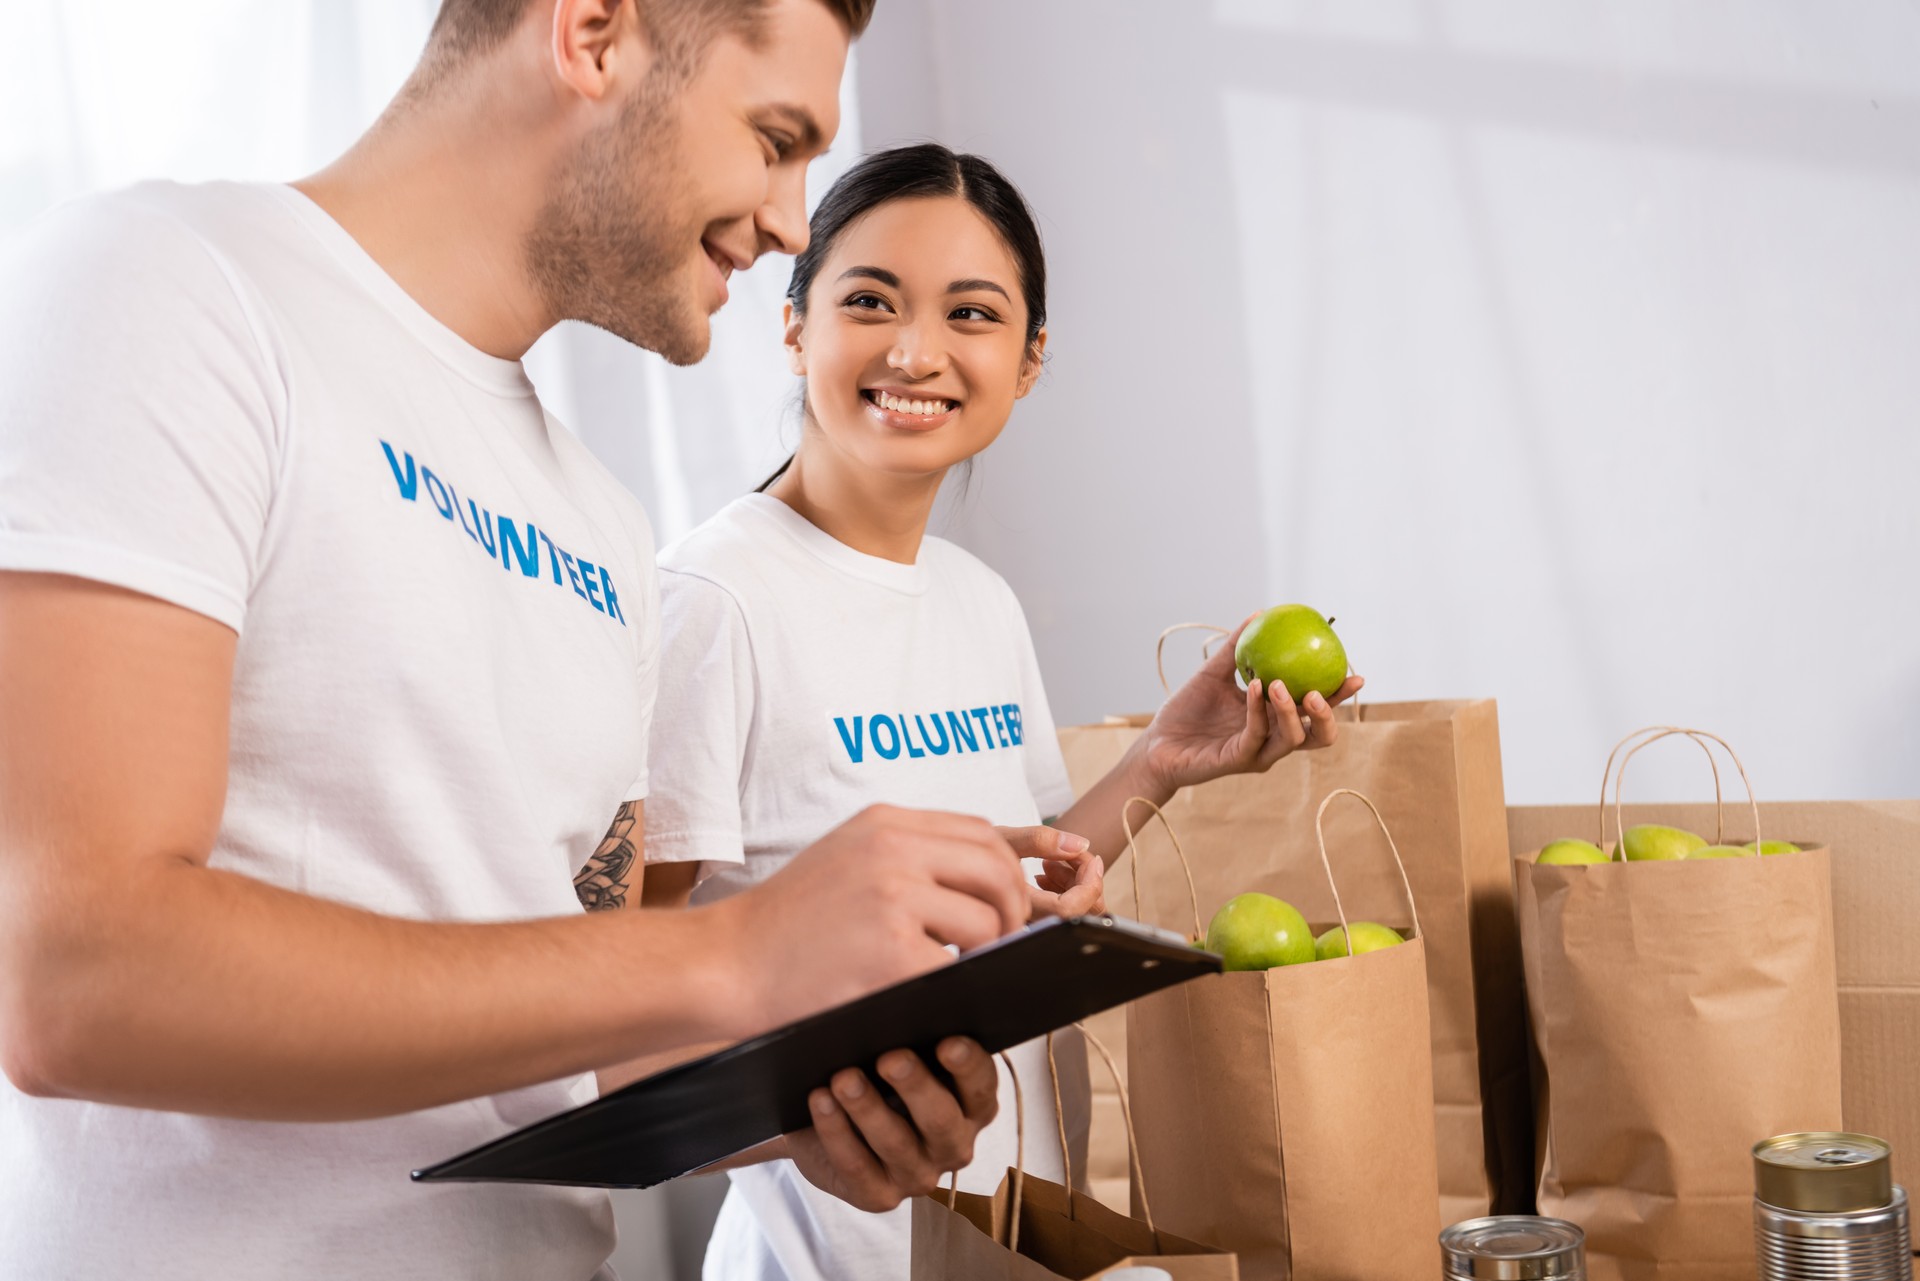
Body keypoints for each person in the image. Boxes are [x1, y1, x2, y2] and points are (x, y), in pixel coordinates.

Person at [0, 3, 1036, 1278]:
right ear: (595, 34)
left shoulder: (600, 527)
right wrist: (733, 951)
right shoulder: (170, 284)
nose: (787, 222)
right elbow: (74, 977)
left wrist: (801, 1111)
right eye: (774, 139)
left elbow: (565, 1061)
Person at [638, 142, 1365, 1281]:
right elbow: (612, 1031)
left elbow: (1019, 901)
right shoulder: (712, 602)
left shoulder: (980, 601)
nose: (916, 351)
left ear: (1028, 364)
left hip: (993, 1240)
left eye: (971, 314)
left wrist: (1162, 765)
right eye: (870, 301)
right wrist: (824, 1126)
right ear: (794, 327)